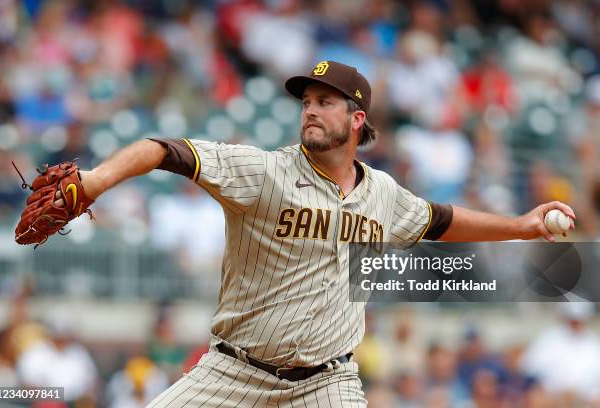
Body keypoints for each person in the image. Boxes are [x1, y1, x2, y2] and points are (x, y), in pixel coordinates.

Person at [51, 61, 575, 407]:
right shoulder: (264, 172)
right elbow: (164, 149)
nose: (311, 110)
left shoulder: (385, 195)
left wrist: (522, 227)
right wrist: (96, 180)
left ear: (357, 118)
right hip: (233, 372)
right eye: (307, 101)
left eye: (326, 101)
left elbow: (439, 220)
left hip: (328, 383)